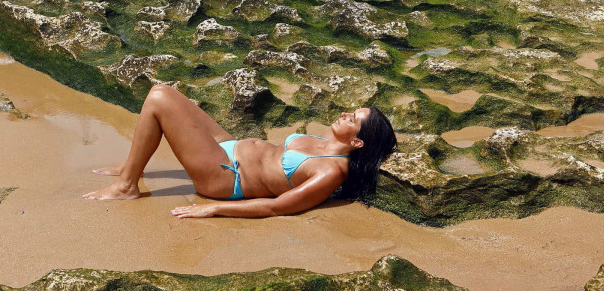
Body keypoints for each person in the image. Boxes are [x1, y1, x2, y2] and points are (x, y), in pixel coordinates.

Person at [83, 84, 397, 220]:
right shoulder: (323, 142)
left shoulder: (331, 171)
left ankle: (127, 185)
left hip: (226, 177)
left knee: (159, 98)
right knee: (166, 91)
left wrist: (214, 210)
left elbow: (280, 207)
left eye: (352, 119)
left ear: (357, 142)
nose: (345, 114)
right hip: (230, 148)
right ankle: (131, 167)